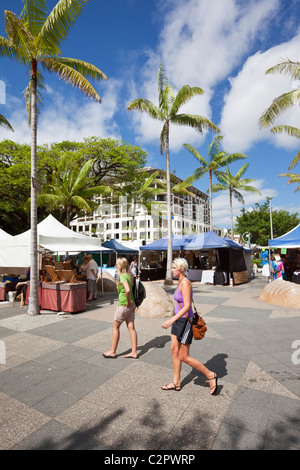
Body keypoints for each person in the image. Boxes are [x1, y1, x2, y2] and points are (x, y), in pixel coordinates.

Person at [161, 258, 218, 395]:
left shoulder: (186, 283)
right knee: (174, 350)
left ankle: (210, 375)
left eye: (174, 267)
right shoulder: (180, 281)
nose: (171, 269)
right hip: (178, 321)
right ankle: (176, 382)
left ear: (181, 269)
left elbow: (187, 306)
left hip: (186, 321)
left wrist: (171, 320)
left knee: (184, 356)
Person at [103, 257, 138, 359]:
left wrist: (128, 302)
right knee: (131, 328)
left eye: (117, 264)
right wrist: (131, 303)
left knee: (115, 327)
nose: (115, 265)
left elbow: (127, 290)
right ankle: (134, 352)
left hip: (124, 305)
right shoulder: (129, 275)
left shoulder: (123, 276)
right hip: (131, 304)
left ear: (120, 266)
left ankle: (113, 351)